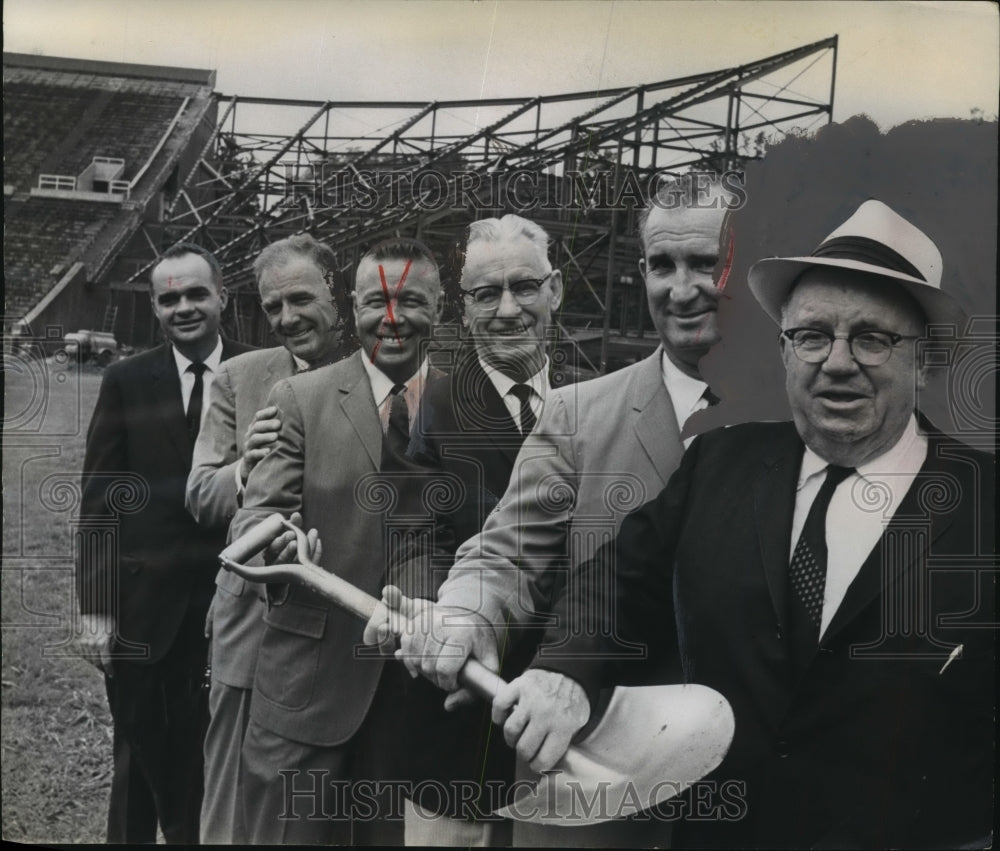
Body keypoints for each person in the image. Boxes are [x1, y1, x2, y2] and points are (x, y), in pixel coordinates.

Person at [489, 200, 995, 847]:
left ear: (923, 360)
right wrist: (565, 669)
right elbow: (616, 582)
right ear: (785, 351)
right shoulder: (720, 463)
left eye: (872, 337)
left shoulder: (984, 508)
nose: (837, 361)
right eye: (812, 335)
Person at [379, 173, 734, 846]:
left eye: (705, 263)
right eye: (663, 264)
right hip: (589, 782)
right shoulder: (578, 413)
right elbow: (506, 549)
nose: (682, 288)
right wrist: (463, 610)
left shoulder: (808, 414)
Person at [228, 237, 444, 844]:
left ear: (440, 307)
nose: (393, 318)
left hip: (410, 701)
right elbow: (252, 520)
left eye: (411, 301)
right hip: (306, 693)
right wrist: (281, 544)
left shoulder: (465, 405)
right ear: (353, 306)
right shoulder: (301, 397)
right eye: (377, 301)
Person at [367, 215, 563, 845]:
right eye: (486, 294)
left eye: (525, 287)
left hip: (562, 714)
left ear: (555, 290)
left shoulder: (595, 403)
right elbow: (414, 534)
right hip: (459, 717)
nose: (508, 310)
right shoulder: (427, 408)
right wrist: (432, 609)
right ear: (466, 308)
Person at [75, 243, 254, 843]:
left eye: (196, 294)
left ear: (222, 297)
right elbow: (100, 504)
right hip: (142, 609)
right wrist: (97, 610)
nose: (184, 307)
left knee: (212, 762)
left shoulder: (261, 374)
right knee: (136, 761)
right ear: (154, 307)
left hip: (228, 609)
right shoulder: (126, 380)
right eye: (169, 298)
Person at [184, 234, 346, 844]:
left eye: (301, 298)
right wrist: (245, 470)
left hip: (343, 619)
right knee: (232, 796)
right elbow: (200, 495)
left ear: (339, 292)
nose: (287, 318)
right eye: (272, 307)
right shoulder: (238, 378)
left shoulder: (380, 373)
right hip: (251, 622)